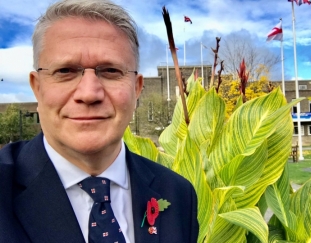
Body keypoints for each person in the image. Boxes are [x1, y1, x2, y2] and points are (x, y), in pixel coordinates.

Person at [0, 0, 199, 242]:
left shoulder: (178, 194)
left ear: (137, 90)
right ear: (37, 87)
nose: (89, 93)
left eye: (111, 71)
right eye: (65, 71)